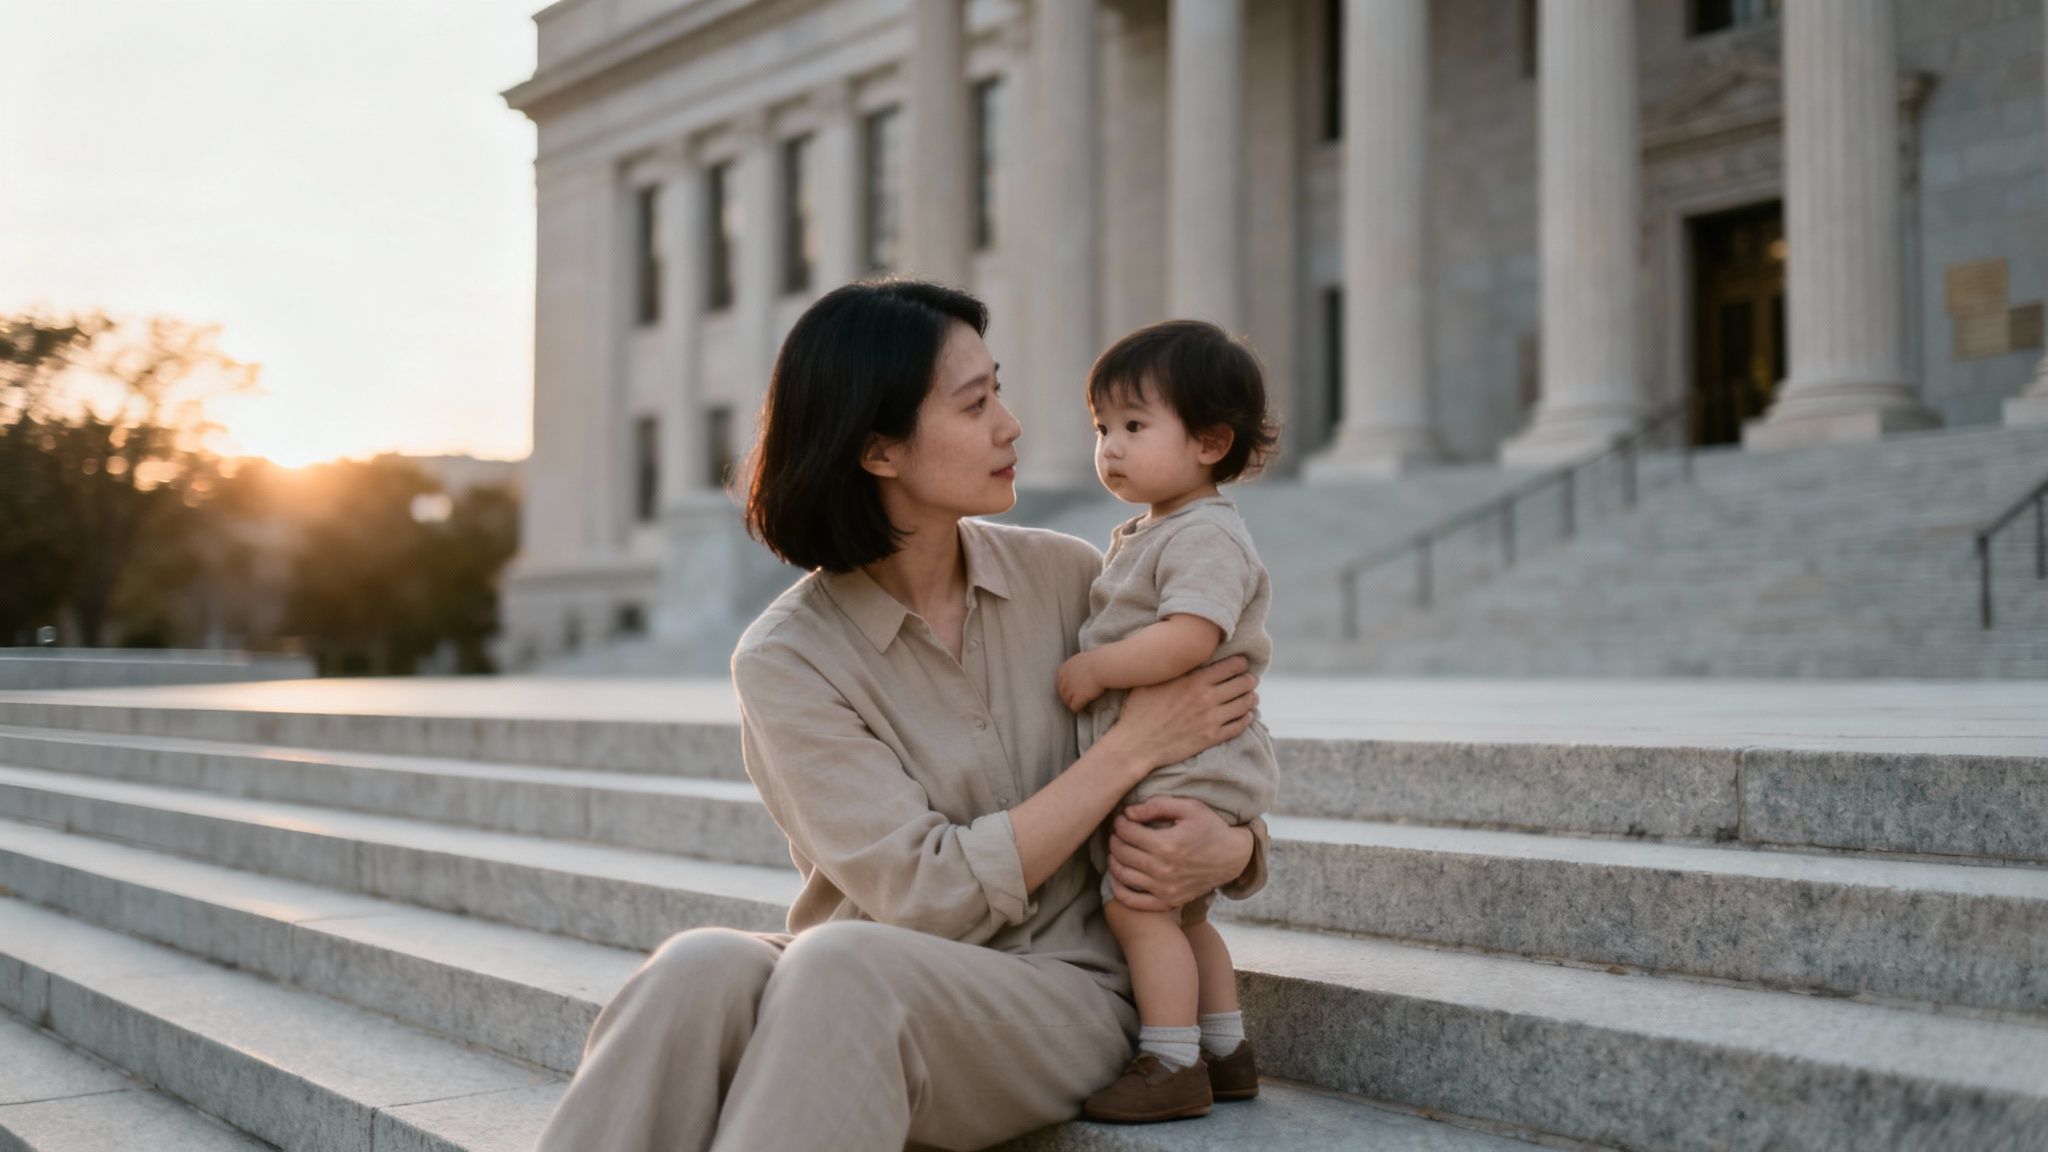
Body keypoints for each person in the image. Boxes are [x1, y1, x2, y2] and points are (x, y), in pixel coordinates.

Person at [533, 279, 1269, 1152]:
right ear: (880, 451)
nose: (1012, 425)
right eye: (977, 402)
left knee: (843, 966)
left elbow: (1214, 743)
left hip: (1068, 986)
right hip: (867, 972)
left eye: (997, 389)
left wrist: (1235, 849)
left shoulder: (1073, 579)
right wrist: (1126, 751)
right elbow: (930, 898)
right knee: (698, 965)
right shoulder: (787, 658)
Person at [1054, 320, 1281, 1124]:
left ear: (1212, 441)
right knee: (1185, 915)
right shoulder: (1155, 528)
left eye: (1134, 427)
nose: (1110, 447)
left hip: (1191, 757)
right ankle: (1227, 1052)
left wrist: (1096, 668)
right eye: (1101, 429)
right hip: (1186, 756)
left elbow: (1190, 636)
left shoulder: (1208, 533)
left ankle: (1171, 1061)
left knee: (1137, 906)